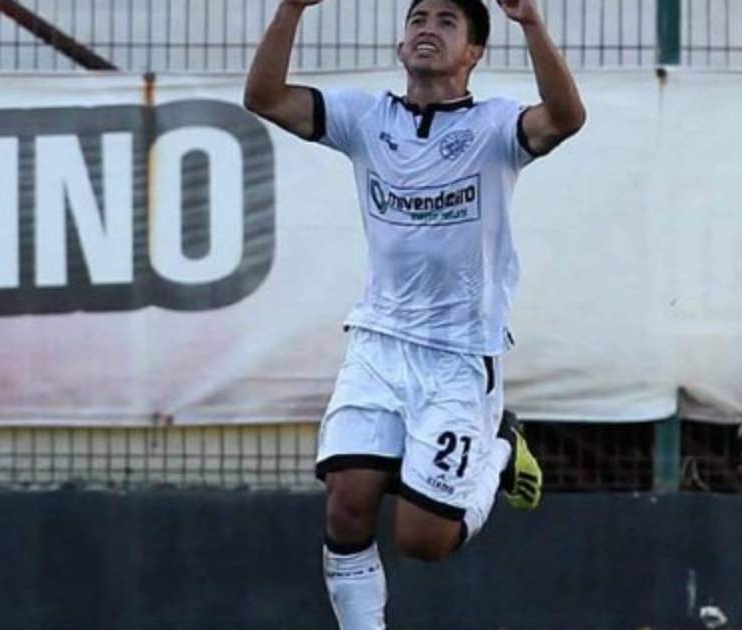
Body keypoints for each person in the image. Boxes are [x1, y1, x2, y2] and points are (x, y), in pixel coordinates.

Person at [245, 0, 585, 627]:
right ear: (402, 45)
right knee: (346, 506)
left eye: (447, 22)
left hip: (459, 356)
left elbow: (565, 118)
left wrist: (532, 24)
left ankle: (499, 451)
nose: (428, 28)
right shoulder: (364, 118)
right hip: (379, 342)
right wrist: (290, 9)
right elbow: (264, 97)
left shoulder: (494, 127)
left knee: (423, 540)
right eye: (418, 18)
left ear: (474, 53)